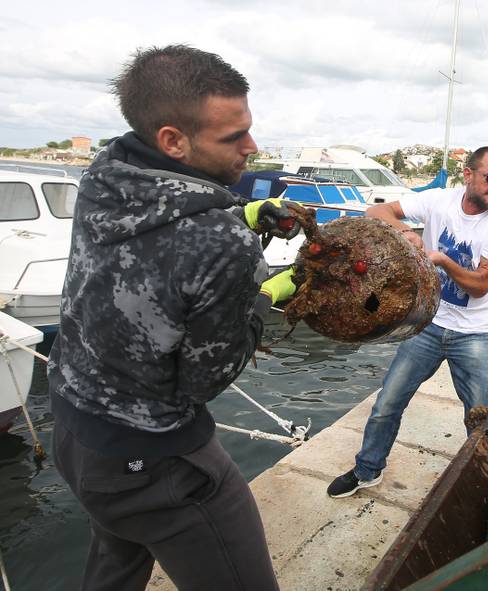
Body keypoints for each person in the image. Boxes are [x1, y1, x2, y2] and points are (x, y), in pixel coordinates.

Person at [48, 45, 301, 590]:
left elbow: (162, 208)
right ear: (173, 141)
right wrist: (267, 295)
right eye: (234, 137)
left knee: (116, 565)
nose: (252, 148)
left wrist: (246, 209)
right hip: (153, 460)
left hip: (75, 433)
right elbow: (204, 381)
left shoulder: (105, 173)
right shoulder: (223, 243)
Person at [327, 146, 488, 498]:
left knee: (483, 419)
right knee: (388, 403)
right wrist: (405, 232)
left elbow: (479, 286)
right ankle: (367, 469)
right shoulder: (438, 200)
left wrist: (443, 260)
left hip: (476, 332)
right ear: (469, 175)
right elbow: (378, 209)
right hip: (428, 323)